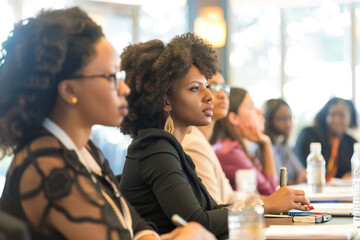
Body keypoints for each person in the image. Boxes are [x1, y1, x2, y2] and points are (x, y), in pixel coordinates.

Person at [0, 7, 215, 240]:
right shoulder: (49, 166)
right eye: (111, 77)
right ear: (69, 90)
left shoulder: (84, 151)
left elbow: (136, 226)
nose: (125, 89)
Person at [119, 33, 229, 239]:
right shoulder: (155, 147)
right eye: (195, 88)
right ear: (166, 102)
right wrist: (260, 209)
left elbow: (212, 212)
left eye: (207, 85)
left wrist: (260, 208)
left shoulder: (172, 148)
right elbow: (197, 222)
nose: (209, 96)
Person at [182, 71, 310, 212]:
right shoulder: (225, 149)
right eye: (212, 87)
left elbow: (230, 196)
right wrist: (267, 203)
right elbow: (214, 210)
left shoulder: (206, 143)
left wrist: (273, 201)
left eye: (224, 88)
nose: (220, 95)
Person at [211, 88, 278, 196]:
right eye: (251, 107)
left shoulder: (235, 147)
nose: (259, 111)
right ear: (234, 118)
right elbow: (271, 193)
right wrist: (266, 144)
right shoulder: (230, 151)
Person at [294, 97, 358, 181]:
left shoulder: (351, 143)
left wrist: (351, 174)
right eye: (332, 114)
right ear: (325, 116)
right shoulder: (309, 134)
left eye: (341, 115)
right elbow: (301, 166)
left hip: (340, 191)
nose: (336, 119)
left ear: (350, 118)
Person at [262, 99, 306, 185]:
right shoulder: (263, 147)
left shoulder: (283, 145)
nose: (288, 124)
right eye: (282, 119)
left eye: (290, 118)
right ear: (268, 120)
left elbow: (302, 173)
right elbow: (277, 182)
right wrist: (295, 181)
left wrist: (295, 181)